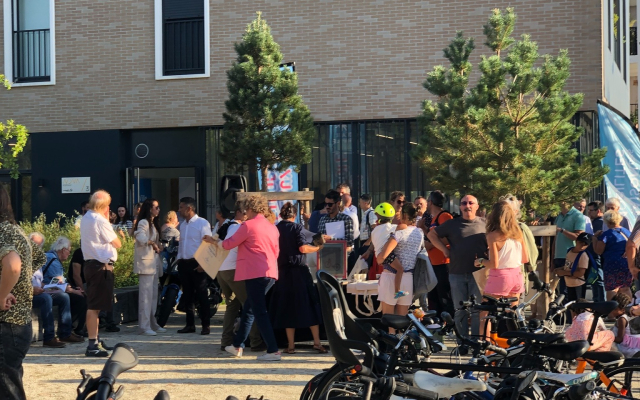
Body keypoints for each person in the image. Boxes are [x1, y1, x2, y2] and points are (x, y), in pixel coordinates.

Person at [214, 194, 281, 361]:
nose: (244, 212)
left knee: (258, 311)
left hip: (254, 272)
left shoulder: (248, 225)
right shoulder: (272, 227)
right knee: (250, 309)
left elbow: (229, 244)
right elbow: (276, 252)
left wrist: (215, 242)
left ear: (250, 208)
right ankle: (238, 345)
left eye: (245, 209)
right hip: (270, 272)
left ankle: (273, 350)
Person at [0, 184, 47, 399]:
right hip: (19, 323)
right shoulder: (16, 230)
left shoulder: (2, 231)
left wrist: (2, 294)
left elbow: (12, 266)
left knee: (7, 390)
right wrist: (16, 286)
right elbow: (38, 257)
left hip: (6, 322)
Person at [269, 202, 326, 354]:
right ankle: (317, 342)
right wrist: (317, 248)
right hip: (299, 272)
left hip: (282, 273)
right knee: (310, 305)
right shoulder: (297, 227)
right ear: (294, 216)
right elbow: (303, 247)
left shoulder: (275, 229)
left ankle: (291, 345)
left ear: (281, 215)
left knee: (287, 308)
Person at [428, 195, 486, 338]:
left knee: (477, 310)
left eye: (471, 203)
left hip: (479, 274)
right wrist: (444, 250)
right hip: (456, 273)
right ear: (460, 207)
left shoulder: (485, 224)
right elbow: (431, 235)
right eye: (464, 203)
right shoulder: (452, 224)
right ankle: (463, 343)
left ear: (477, 206)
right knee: (460, 310)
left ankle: (476, 342)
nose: (467, 206)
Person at [217, 202, 265, 352]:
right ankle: (256, 341)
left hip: (221, 270)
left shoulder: (227, 226)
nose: (247, 216)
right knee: (250, 305)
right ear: (239, 213)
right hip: (233, 270)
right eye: (245, 213)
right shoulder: (241, 227)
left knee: (232, 306)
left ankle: (226, 341)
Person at [80, 189, 122, 357]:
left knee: (95, 306)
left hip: (92, 265)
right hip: (100, 266)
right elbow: (117, 243)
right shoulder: (99, 220)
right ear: (105, 206)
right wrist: (107, 221)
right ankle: (92, 345)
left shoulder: (86, 217)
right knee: (94, 307)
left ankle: (95, 340)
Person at [376, 203, 424, 320]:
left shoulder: (400, 233)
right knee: (402, 319)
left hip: (390, 277)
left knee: (389, 319)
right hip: (408, 278)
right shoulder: (420, 233)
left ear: (405, 215)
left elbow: (382, 257)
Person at [474, 201, 527, 305]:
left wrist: (480, 261)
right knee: (511, 311)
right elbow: (525, 258)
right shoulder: (518, 233)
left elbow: (494, 264)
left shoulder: (493, 236)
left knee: (486, 310)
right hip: (517, 275)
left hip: (500, 276)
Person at [175, 197, 212, 335]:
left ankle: (205, 325)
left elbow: (208, 244)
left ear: (189, 208)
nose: (179, 210)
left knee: (202, 294)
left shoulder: (202, 223)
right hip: (184, 263)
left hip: (197, 263)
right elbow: (182, 243)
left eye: (181, 207)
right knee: (188, 295)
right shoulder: (183, 225)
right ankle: (190, 324)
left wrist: (204, 263)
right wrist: (179, 259)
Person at [418, 190, 454, 317]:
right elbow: (433, 236)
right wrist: (423, 228)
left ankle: (449, 321)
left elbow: (450, 237)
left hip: (444, 262)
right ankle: (437, 321)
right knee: (434, 296)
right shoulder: (434, 218)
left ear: (431, 202)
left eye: (427, 201)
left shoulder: (444, 216)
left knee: (444, 296)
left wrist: (431, 244)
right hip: (434, 263)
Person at [134, 199, 166, 336]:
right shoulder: (143, 222)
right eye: (156, 207)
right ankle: (144, 326)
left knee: (153, 295)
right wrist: (152, 243)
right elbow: (140, 236)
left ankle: (152, 323)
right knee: (146, 296)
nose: (158, 210)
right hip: (146, 263)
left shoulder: (153, 223)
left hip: (153, 262)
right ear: (149, 208)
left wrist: (159, 245)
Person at [371, 203, 407, 300]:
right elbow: (403, 227)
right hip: (387, 254)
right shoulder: (389, 227)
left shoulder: (375, 230)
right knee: (400, 269)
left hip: (379, 255)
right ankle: (397, 291)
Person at [593, 210, 632, 299]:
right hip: (626, 263)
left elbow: (598, 251)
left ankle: (612, 307)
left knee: (612, 288)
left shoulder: (606, 234)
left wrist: (594, 238)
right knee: (625, 288)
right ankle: (627, 306)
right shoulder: (627, 232)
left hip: (611, 264)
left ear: (607, 221)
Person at [553, 201, 586, 297]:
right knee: (561, 292)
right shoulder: (558, 215)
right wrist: (552, 259)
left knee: (568, 292)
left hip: (571, 258)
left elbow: (580, 238)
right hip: (558, 257)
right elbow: (555, 239)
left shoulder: (578, 215)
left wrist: (562, 230)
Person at [554, 233, 591, 301]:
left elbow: (580, 273)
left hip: (578, 285)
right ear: (576, 241)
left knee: (578, 305)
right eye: (580, 243)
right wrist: (560, 269)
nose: (582, 246)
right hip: (569, 284)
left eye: (585, 244)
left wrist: (564, 273)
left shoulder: (583, 256)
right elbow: (568, 265)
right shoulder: (570, 251)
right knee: (570, 304)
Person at [587, 201, 606, 302]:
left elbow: (598, 239)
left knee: (598, 281)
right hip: (593, 255)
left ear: (598, 211)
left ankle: (601, 303)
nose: (589, 212)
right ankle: (597, 303)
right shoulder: (594, 222)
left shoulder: (599, 222)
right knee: (595, 280)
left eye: (591, 210)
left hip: (596, 255)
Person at [611, 293, 640, 357]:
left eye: (615, 309)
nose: (612, 311)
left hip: (628, 347)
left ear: (623, 309)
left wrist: (607, 337)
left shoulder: (622, 319)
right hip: (636, 345)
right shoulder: (629, 317)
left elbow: (620, 339)